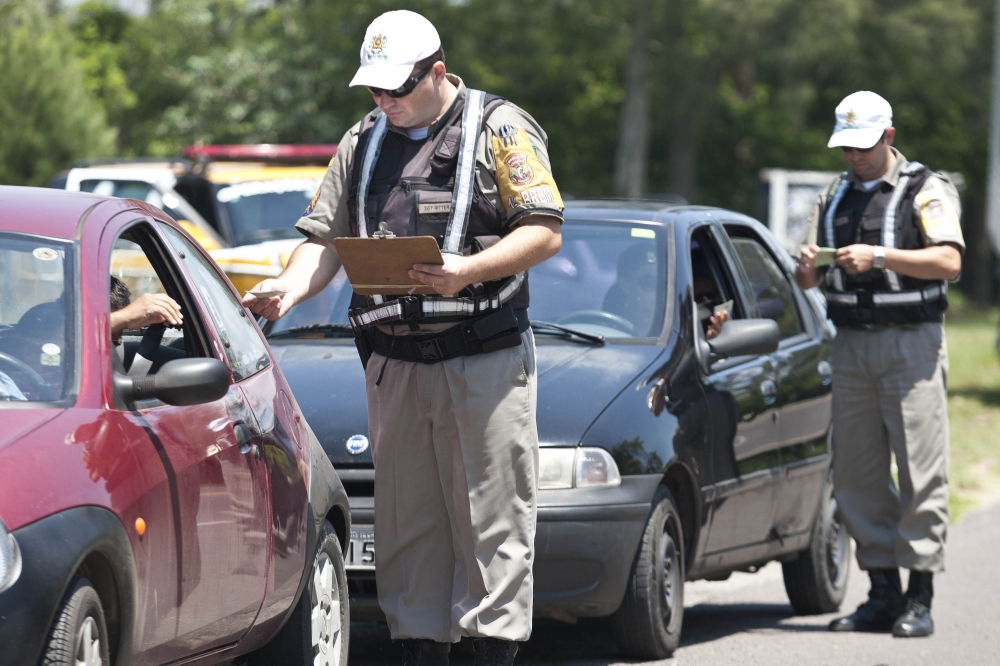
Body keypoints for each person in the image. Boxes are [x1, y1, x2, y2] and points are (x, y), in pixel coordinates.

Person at [243, 11, 563, 666]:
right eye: (375, 91)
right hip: (394, 362)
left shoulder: (501, 126)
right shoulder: (361, 139)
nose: (384, 102)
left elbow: (544, 231)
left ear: (437, 72)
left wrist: (464, 273)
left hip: (484, 358)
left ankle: (489, 651)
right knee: (407, 529)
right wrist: (288, 289)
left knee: (491, 525)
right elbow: (323, 241)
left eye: (397, 89)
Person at [795, 91, 963, 638]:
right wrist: (807, 267)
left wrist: (883, 256)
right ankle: (881, 593)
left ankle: (920, 596)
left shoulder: (926, 189)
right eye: (846, 148)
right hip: (850, 347)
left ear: (888, 136)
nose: (854, 158)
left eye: (864, 147)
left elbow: (949, 261)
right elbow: (809, 281)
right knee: (855, 474)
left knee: (921, 469)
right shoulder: (832, 196)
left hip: (911, 344)